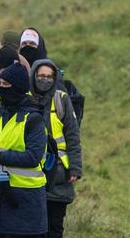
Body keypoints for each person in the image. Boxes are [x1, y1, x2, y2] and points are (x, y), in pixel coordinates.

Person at [0, 62, 47, 237]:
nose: (1, 88)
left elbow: (33, 157)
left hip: (26, 198)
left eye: (6, 85)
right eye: (1, 84)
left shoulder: (33, 118)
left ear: (17, 87)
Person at [30, 59, 82, 237]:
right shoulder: (25, 98)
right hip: (31, 172)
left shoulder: (61, 99)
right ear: (33, 76)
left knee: (55, 226)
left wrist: (75, 168)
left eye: (49, 77)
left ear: (55, 79)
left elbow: (73, 135)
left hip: (59, 175)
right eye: (41, 76)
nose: (44, 80)